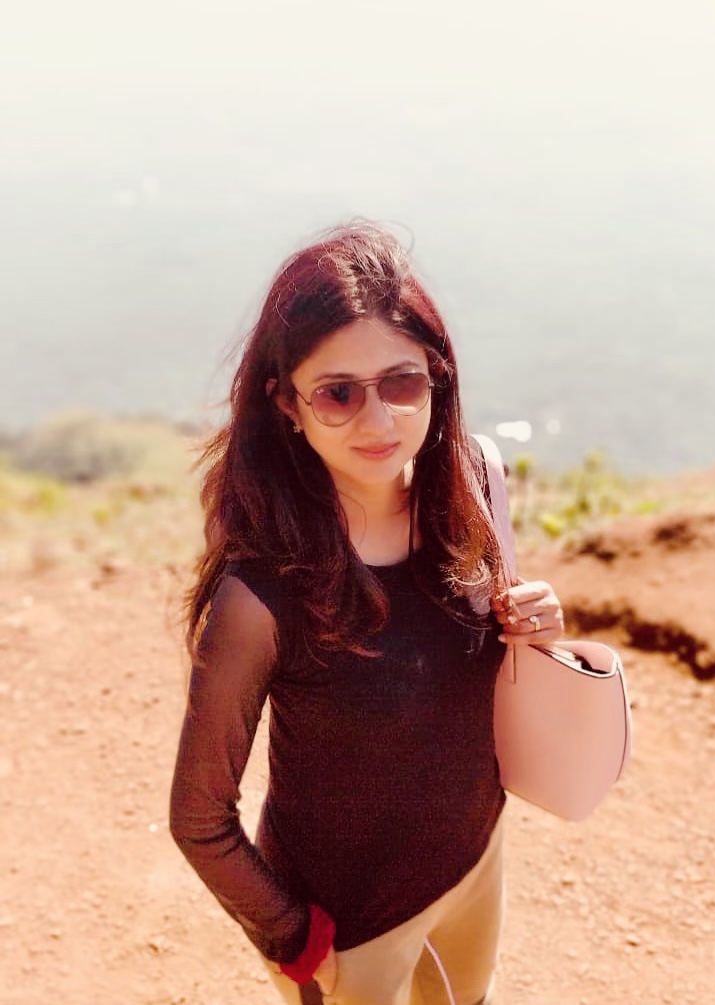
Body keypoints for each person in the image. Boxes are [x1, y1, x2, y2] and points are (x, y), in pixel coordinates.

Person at [169, 222, 564, 1005]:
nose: (379, 422)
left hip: (475, 862)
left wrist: (536, 625)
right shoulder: (263, 591)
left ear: (437, 378)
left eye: (402, 383)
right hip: (351, 927)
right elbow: (199, 818)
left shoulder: (474, 482)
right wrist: (297, 940)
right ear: (288, 403)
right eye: (339, 393)